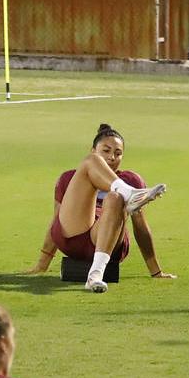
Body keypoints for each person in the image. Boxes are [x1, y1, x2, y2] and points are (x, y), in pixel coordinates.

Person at [25, 123, 169, 292]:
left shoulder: (131, 179)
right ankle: (127, 194)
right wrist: (42, 264)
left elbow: (141, 227)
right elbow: (57, 219)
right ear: (94, 149)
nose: (112, 157)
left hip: (108, 240)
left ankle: (95, 275)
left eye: (118, 153)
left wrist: (156, 271)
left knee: (114, 198)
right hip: (74, 236)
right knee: (90, 163)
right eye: (106, 151)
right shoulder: (70, 178)